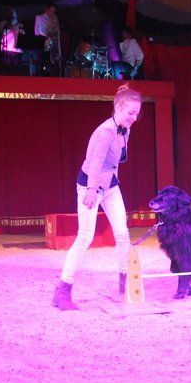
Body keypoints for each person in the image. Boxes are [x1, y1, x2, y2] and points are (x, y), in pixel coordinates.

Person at [53, 85, 142, 310]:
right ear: (118, 108)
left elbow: (114, 162)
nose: (134, 117)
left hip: (110, 183)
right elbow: (95, 161)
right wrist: (92, 190)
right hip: (90, 184)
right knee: (85, 236)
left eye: (137, 113)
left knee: (122, 233)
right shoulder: (105, 131)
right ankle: (63, 290)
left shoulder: (125, 129)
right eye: (131, 112)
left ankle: (125, 280)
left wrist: (111, 183)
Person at [34, 3, 61, 70]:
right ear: (46, 9)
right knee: (41, 60)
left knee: (52, 61)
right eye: (51, 11)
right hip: (42, 42)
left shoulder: (55, 18)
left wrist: (55, 33)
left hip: (53, 43)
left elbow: (57, 30)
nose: (52, 13)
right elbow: (39, 31)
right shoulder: (40, 17)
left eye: (54, 12)